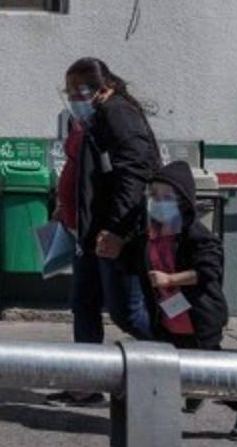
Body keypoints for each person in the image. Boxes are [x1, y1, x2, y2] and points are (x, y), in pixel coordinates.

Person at [47, 57, 159, 407]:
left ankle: (190, 364)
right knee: (83, 304)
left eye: (78, 91)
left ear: (102, 88)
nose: (72, 98)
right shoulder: (89, 119)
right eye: (68, 91)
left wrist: (116, 231)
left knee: (128, 313)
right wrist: (67, 207)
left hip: (111, 235)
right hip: (86, 232)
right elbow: (85, 171)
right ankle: (86, 384)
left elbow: (133, 176)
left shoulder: (118, 115)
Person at [143, 161, 237, 442]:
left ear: (183, 201)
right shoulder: (156, 233)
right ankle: (184, 399)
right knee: (176, 368)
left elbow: (208, 271)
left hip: (199, 319)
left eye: (166, 197)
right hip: (172, 318)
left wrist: (169, 279)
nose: (158, 202)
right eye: (154, 195)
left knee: (213, 375)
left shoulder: (196, 235)